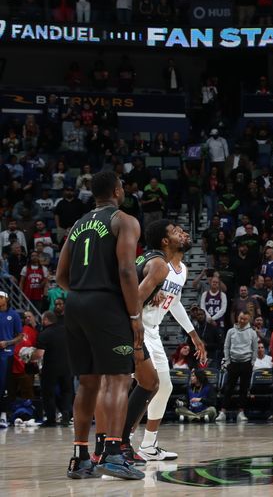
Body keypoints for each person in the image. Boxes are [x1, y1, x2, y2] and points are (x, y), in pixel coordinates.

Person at [55, 170, 145, 480]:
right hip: (106, 305)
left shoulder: (78, 225)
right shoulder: (124, 220)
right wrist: (135, 317)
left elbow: (60, 277)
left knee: (89, 382)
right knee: (119, 379)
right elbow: (126, 270)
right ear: (118, 191)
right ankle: (113, 453)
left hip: (76, 302)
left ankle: (80, 457)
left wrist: (83, 295)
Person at [131, 222, 207, 461]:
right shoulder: (154, 264)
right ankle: (120, 443)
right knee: (147, 385)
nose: (184, 233)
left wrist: (193, 335)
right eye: (176, 231)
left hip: (152, 331)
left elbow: (173, 302)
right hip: (136, 327)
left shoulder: (181, 270)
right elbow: (133, 296)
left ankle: (148, 446)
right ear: (165, 241)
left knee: (164, 386)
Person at [32, 311, 72, 427]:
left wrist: (29, 356)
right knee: (67, 392)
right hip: (67, 367)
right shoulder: (67, 331)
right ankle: (66, 415)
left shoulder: (44, 334)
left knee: (48, 393)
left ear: (45, 320)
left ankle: (51, 419)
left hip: (51, 368)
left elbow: (39, 354)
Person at [217, 312, 258, 423]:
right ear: (237, 318)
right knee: (228, 388)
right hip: (233, 363)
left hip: (246, 363)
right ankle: (222, 412)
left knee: (244, 389)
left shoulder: (252, 333)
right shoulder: (231, 331)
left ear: (248, 320)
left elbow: (255, 349)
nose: (242, 321)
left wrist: (252, 362)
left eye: (244, 319)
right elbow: (226, 347)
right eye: (240, 318)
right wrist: (228, 361)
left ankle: (241, 412)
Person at [0, 291, 23, 429]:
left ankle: (3, 415)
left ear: (7, 299)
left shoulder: (13, 315)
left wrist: (7, 343)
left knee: (4, 385)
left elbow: (20, 336)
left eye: (1, 297)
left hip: (6, 354)